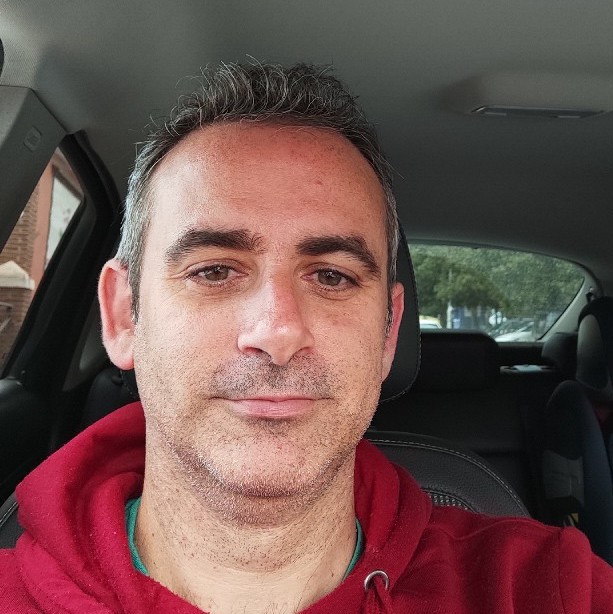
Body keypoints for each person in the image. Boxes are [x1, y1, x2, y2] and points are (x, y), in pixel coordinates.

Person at [0, 61, 612, 614]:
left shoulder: (548, 588)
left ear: (389, 331)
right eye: (213, 271)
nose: (278, 332)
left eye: (332, 276)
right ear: (123, 316)